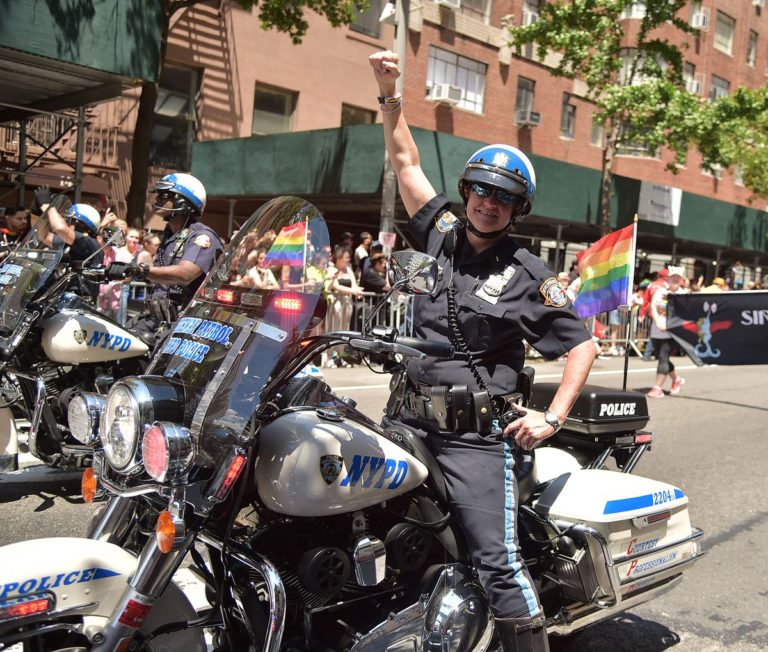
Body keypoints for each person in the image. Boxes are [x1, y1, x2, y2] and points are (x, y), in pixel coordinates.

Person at [369, 50, 595, 651]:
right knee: (369, 520)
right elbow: (405, 158)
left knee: (497, 561)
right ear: (466, 191)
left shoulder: (526, 274)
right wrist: (389, 91)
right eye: (480, 190)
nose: (487, 203)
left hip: (470, 436)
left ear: (517, 209)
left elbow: (582, 346)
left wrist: (553, 416)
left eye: (502, 198)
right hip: (404, 418)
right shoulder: (439, 230)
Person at [119, 173, 223, 343]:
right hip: (153, 318)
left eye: (165, 195)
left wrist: (140, 270)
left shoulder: (202, 237)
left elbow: (185, 274)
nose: (158, 199)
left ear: (183, 201)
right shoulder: (169, 235)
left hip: (182, 324)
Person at [646, 274, 685, 398]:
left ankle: (657, 388)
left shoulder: (683, 294)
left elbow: (683, 312)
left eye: (677, 280)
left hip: (670, 333)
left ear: (680, 281)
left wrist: (672, 299)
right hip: (656, 330)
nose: (674, 281)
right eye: (672, 279)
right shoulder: (660, 291)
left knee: (663, 357)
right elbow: (653, 306)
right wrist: (657, 322)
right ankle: (676, 379)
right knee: (662, 358)